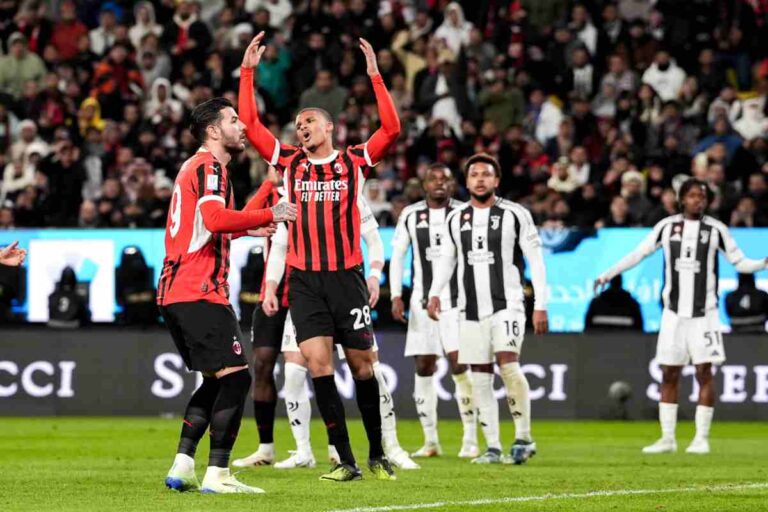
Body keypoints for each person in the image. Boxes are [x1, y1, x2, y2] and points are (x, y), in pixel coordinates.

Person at [238, 32, 400, 481]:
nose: (301, 127)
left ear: (330, 127)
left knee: (364, 366)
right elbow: (251, 125)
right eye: (298, 123)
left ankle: (377, 452)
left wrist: (375, 77)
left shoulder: (354, 161)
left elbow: (392, 130)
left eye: (309, 121)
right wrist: (247, 72)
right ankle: (346, 461)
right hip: (305, 282)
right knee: (318, 366)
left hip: (346, 278)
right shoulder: (289, 163)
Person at [158, 97, 296, 494]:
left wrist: (264, 198)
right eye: (234, 120)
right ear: (213, 130)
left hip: (178, 290)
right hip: (199, 289)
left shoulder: (196, 167)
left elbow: (218, 225)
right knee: (236, 380)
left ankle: (183, 465)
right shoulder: (210, 167)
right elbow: (218, 220)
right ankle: (219, 474)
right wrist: (272, 213)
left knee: (215, 382)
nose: (242, 127)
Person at [235, 198, 418, 471]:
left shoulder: (351, 194)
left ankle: (390, 448)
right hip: (307, 296)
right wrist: (271, 286)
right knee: (295, 373)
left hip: (347, 291)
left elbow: (373, 238)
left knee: (370, 370)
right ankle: (303, 451)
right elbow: (280, 248)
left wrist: (374, 275)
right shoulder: (293, 197)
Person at [595, 179, 768, 455]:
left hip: (705, 315)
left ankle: (701, 438)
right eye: (692, 195)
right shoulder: (666, 227)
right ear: (681, 199)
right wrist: (608, 274)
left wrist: (762, 263)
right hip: (673, 315)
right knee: (669, 373)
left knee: (704, 372)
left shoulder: (716, 230)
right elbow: (638, 254)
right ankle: (667, 438)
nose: (697, 200)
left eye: (702, 196)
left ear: (707, 201)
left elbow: (739, 262)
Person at [426, 153, 549, 465]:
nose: (480, 179)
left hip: (507, 305)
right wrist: (435, 293)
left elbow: (536, 260)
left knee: (508, 365)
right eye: (474, 174)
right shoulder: (456, 219)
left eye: (486, 174)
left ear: (497, 180)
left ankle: (523, 437)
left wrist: (541, 305)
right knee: (480, 376)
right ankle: (492, 447)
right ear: (466, 182)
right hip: (468, 309)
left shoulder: (515, 214)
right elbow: (447, 260)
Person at [389, 164, 478, 459]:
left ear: (453, 185)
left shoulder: (466, 212)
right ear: (424, 185)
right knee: (424, 366)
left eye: (445, 179)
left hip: (458, 301)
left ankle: (470, 439)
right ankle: (430, 441)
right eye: (433, 179)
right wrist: (396, 294)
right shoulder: (411, 214)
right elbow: (399, 254)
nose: (439, 183)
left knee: (459, 364)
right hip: (421, 302)